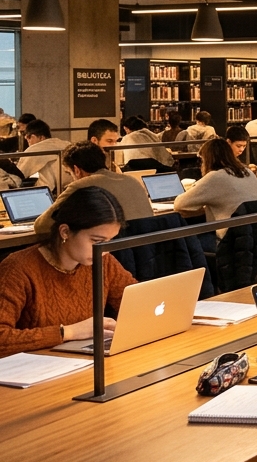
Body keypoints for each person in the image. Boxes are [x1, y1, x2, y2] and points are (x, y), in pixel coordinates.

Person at [0, 186, 135, 357]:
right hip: (34, 370)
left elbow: (135, 302)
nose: (104, 250)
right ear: (65, 232)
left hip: (80, 363)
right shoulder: (18, 269)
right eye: (96, 240)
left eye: (109, 241)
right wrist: (68, 332)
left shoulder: (103, 261)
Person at [34, 143, 153, 239]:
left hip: (109, 255)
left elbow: (42, 226)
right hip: (145, 252)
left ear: (76, 170)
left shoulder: (81, 185)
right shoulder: (131, 180)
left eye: (69, 173)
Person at [173, 139, 257, 239]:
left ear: (208, 159)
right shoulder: (247, 172)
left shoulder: (215, 177)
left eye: (202, 160)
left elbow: (179, 204)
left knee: (186, 242)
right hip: (256, 235)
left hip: (229, 241)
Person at [18, 120, 70, 192]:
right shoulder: (65, 143)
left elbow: (19, 174)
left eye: (29, 138)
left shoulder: (37, 149)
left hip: (60, 190)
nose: (28, 142)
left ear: (41, 137)